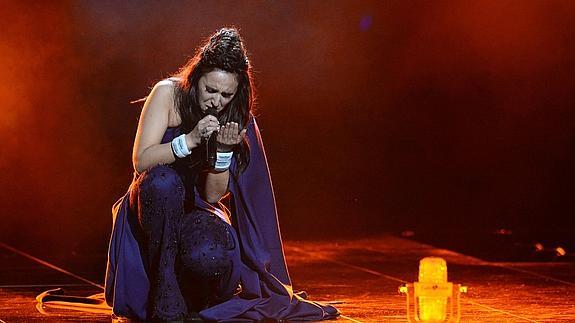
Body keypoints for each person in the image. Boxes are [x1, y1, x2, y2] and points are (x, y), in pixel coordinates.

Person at [104, 28, 340, 322]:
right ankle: (164, 290)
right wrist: (188, 141)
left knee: (210, 253)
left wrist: (224, 152)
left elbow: (213, 195)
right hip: (153, 203)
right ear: (196, 79)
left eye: (226, 94)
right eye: (210, 90)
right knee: (164, 182)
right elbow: (142, 161)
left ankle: (194, 296)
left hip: (196, 208)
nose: (216, 101)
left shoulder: (235, 115)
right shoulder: (167, 93)